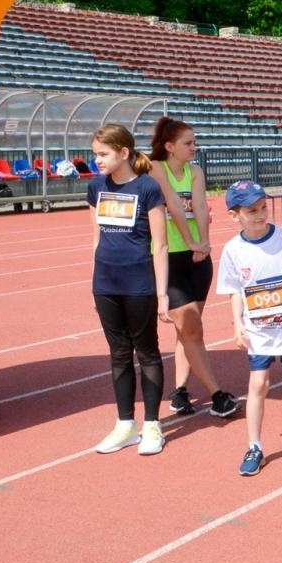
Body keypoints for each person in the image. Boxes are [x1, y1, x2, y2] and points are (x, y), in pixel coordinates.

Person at [217, 181, 282, 475]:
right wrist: (237, 324)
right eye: (252, 210)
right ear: (234, 215)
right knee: (258, 383)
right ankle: (254, 444)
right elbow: (235, 290)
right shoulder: (233, 250)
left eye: (263, 207)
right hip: (259, 329)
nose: (261, 214)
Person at [87, 123, 171, 456]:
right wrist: (93, 282)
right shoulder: (96, 188)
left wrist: (162, 294)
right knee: (118, 354)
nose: (97, 161)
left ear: (123, 153)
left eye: (103, 154)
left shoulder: (148, 188)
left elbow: (161, 245)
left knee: (147, 351)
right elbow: (95, 238)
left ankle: (152, 424)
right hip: (105, 284)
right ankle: (125, 424)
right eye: (95, 155)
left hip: (139, 283)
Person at [151, 117, 239, 420]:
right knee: (192, 330)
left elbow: (200, 206)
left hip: (196, 260)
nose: (194, 148)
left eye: (195, 142)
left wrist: (204, 244)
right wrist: (190, 242)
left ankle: (179, 390)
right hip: (171, 257)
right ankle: (217, 396)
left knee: (188, 331)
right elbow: (174, 206)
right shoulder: (156, 169)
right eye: (188, 143)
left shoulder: (195, 171)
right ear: (169, 146)